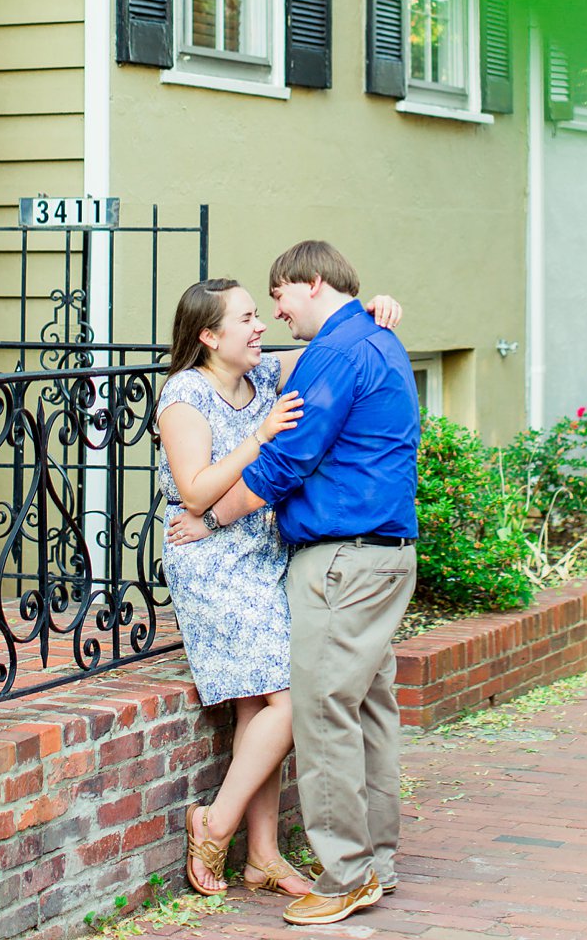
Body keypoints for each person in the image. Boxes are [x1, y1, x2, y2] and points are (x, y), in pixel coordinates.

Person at [170, 240, 421, 927]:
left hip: (344, 558)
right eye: (254, 310)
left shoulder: (339, 352)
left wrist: (211, 517)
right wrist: (375, 307)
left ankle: (345, 874)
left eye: (276, 298)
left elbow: (288, 460)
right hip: (382, 550)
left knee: (322, 708)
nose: (274, 314)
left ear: (311, 284)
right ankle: (375, 860)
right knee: (368, 707)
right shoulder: (371, 338)